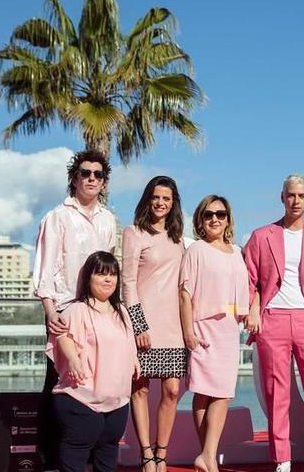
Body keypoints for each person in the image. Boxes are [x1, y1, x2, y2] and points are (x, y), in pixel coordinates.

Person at [242, 174, 304, 472]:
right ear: (282, 197)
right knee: (276, 392)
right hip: (273, 319)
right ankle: (282, 459)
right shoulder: (261, 236)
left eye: (301, 196)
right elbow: (251, 280)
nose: (295, 201)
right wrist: (254, 310)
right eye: (290, 195)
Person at [33, 149, 118, 470]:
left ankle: (90, 458)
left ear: (104, 181)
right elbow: (46, 267)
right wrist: (50, 310)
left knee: (96, 383)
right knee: (59, 385)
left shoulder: (109, 220)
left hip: (98, 312)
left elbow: (108, 269)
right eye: (85, 173)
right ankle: (52, 462)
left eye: (98, 174)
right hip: (65, 311)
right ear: (74, 178)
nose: (91, 179)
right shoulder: (57, 217)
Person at [48, 251, 140, 472]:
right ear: (89, 278)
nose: (108, 279)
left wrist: (134, 358)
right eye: (101, 274)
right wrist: (73, 359)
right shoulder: (77, 309)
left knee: (108, 454)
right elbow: (63, 337)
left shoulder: (123, 312)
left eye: (113, 274)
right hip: (81, 397)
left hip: (117, 400)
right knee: (76, 455)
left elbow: (128, 342)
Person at [179, 195, 250, 472]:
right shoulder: (196, 250)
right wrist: (188, 332)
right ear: (201, 219)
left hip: (229, 328)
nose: (215, 219)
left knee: (223, 393)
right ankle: (208, 458)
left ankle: (207, 456)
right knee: (204, 392)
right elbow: (184, 294)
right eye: (209, 214)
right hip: (203, 325)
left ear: (228, 219)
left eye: (220, 214)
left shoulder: (236, 251)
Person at [122, 176, 188, 472]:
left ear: (174, 203)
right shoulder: (134, 233)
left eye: (167, 198)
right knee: (141, 388)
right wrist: (138, 325)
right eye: (156, 197)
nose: (161, 203)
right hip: (144, 324)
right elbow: (127, 283)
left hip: (174, 326)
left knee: (172, 390)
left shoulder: (179, 238)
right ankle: (146, 454)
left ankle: (162, 453)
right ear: (148, 199)